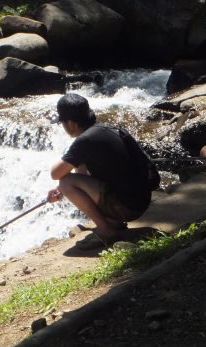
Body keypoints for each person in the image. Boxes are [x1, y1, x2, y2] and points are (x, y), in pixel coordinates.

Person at [47, 93, 152, 249]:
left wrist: (62, 188)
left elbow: (55, 174)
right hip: (142, 199)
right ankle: (114, 222)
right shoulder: (107, 129)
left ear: (70, 123)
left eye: (62, 123)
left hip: (128, 207)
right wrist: (60, 191)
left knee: (65, 182)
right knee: (68, 179)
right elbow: (82, 174)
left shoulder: (84, 141)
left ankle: (106, 230)